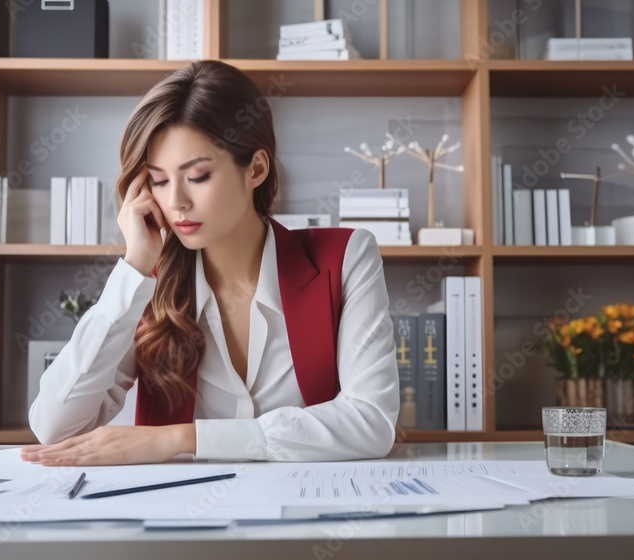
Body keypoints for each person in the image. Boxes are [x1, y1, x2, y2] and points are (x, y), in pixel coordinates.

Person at [22, 60, 399, 466]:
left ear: (255, 168)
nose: (176, 202)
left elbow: (371, 421)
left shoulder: (344, 259)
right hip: (181, 520)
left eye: (197, 175)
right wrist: (133, 266)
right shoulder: (147, 285)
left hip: (306, 514)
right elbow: (54, 427)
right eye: (159, 181)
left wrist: (180, 439)